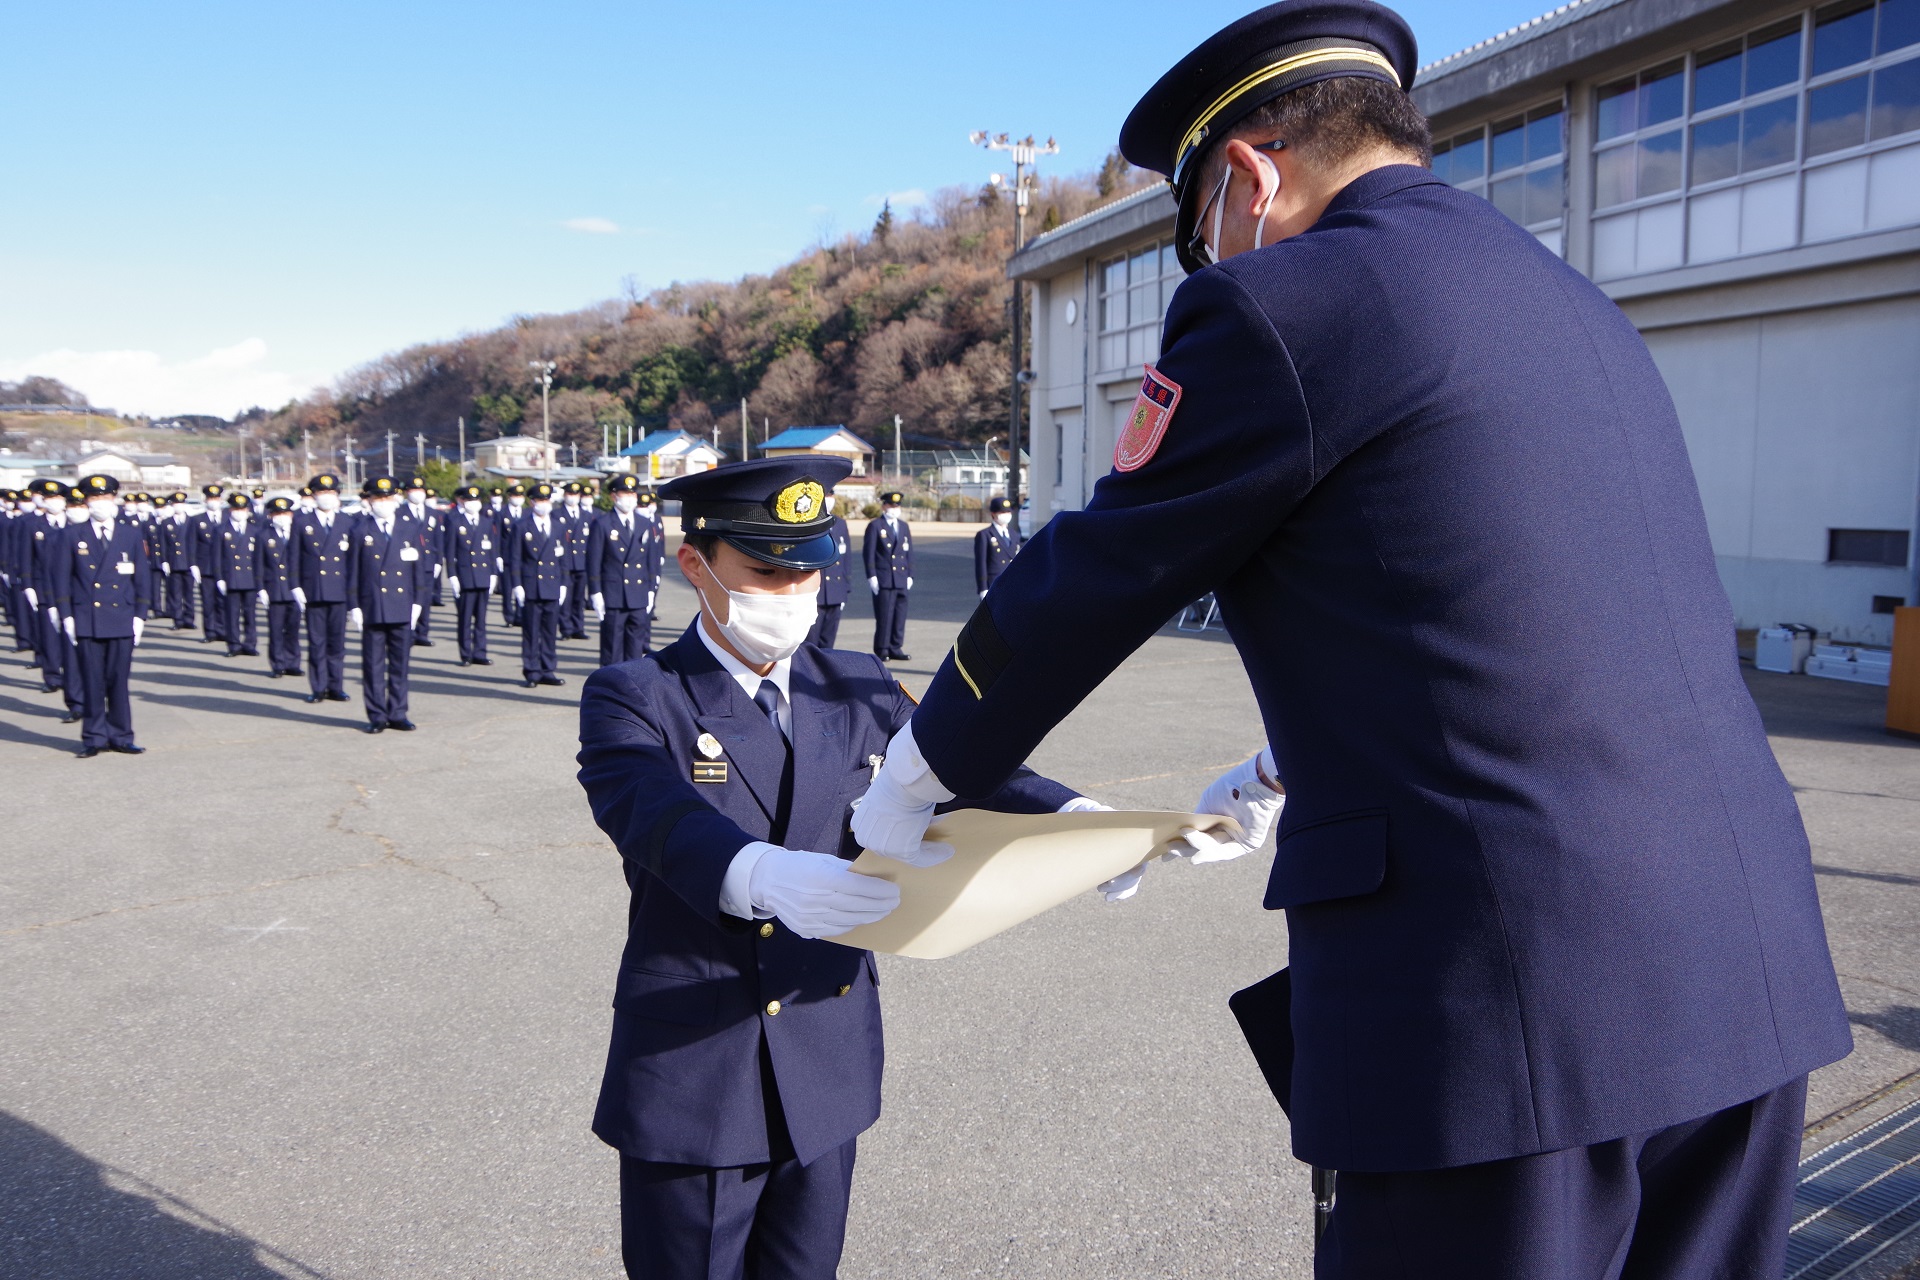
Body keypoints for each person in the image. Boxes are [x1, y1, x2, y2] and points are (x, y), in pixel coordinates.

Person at [850, 5, 1852, 1277]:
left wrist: (922, 770)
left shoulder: (1288, 300)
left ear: (1252, 175)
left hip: (1516, 999)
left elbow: (1099, 569)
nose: (1205, 261)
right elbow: (1508, 607)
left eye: (1196, 223)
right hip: (1737, 964)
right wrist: (1284, 767)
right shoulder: (1565, 298)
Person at [575, 457, 1090, 1280]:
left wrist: (1080, 821)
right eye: (766, 570)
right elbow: (647, 809)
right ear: (695, 565)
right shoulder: (637, 694)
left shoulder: (853, 682)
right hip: (698, 1068)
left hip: (824, 1052)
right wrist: (759, 873)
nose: (792, 593)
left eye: (808, 569)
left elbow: (952, 765)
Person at [53, 475, 148, 756]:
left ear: (114, 499)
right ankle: (93, 737)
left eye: (105, 498)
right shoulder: (71, 535)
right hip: (87, 619)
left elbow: (141, 577)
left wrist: (140, 615)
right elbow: (61, 578)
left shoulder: (129, 533)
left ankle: (121, 735)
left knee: (118, 681)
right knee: (92, 681)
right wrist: (66, 615)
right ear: (86, 501)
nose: (100, 504)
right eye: (94, 499)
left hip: (121, 618)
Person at [345, 475, 428, 732]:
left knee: (400, 664)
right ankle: (377, 715)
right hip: (373, 606)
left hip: (402, 604)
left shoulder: (409, 527)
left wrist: (418, 602)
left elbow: (418, 569)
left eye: (388, 498)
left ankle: (398, 712)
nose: (383, 502)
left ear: (396, 499)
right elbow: (352, 572)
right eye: (378, 498)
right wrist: (354, 606)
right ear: (369, 500)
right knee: (373, 665)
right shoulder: (360, 530)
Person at [294, 473, 354, 705]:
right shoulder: (303, 522)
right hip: (314, 590)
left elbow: (353, 562)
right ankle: (318, 687)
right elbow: (294, 557)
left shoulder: (347, 522)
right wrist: (295, 586)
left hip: (339, 591)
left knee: (337, 643)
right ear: (314, 495)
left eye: (331, 493)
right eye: (322, 493)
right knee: (317, 642)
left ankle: (336, 686)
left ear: (337, 495)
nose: (326, 497)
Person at [586, 474, 658, 666]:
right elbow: (594, 561)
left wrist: (651, 589)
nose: (629, 497)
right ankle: (610, 690)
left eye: (632, 493)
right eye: (624, 493)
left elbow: (650, 560)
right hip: (613, 594)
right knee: (612, 648)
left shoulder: (644, 523)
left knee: (635, 648)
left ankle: (632, 690)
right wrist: (595, 593)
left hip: (638, 593)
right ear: (613, 496)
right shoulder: (602, 524)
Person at [510, 482, 568, 687]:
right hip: (531, 585)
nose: (544, 504)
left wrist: (564, 583)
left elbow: (563, 558)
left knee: (550, 631)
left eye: (547, 500)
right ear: (532, 501)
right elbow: (515, 558)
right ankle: (532, 671)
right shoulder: (521, 526)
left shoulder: (558, 525)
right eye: (540, 500)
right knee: (531, 632)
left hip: (552, 584)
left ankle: (548, 669)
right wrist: (517, 585)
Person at [445, 484, 498, 667]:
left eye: (476, 500)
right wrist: (452, 575)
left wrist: (493, 574)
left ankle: (480, 652)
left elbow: (490, 549)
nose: (473, 504)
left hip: (483, 575)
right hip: (465, 576)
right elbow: (450, 551)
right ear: (463, 502)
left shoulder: (486, 522)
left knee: (481, 619)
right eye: (469, 500)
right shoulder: (455, 522)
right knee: (465, 618)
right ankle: (466, 653)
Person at [860, 491, 912, 661]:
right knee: (885, 615)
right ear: (883, 506)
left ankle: (895, 646)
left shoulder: (903, 526)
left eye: (897, 506)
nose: (894, 509)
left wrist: (910, 574)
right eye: (891, 505)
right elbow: (869, 553)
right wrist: (871, 576)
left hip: (901, 577)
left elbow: (908, 552)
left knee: (899, 615)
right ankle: (882, 648)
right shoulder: (875, 526)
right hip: (884, 577)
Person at [257, 496, 303, 678]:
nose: (281, 516)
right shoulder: (263, 535)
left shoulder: (298, 533)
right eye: (277, 513)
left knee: (293, 629)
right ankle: (277, 664)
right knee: (276, 630)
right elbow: (259, 563)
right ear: (270, 515)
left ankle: (293, 662)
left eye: (285, 513)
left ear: (291, 514)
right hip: (274, 589)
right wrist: (260, 588)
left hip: (294, 590)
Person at [214, 492, 262, 658]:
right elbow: (216, 557)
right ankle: (233, 644)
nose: (239, 512)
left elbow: (259, 559)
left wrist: (260, 580)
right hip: (231, 578)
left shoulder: (255, 531)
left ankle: (250, 644)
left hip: (250, 578)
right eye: (236, 508)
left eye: (242, 509)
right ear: (230, 510)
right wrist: (219, 577)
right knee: (232, 614)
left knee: (250, 614)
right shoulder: (221, 530)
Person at [402, 476, 444, 648]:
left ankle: (422, 632)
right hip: (407, 563)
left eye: (420, 490)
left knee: (425, 599)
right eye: (413, 490)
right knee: (407, 598)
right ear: (406, 492)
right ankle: (407, 632)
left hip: (427, 562)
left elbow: (438, 539)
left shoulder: (432, 513)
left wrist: (438, 561)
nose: (417, 494)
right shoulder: (400, 512)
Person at [186, 483, 228, 647]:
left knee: (223, 601)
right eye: (210, 498)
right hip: (206, 567)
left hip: (225, 567)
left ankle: (224, 630)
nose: (213, 501)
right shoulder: (197, 520)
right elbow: (191, 544)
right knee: (208, 601)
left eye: (216, 498)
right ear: (205, 499)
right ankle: (210, 631)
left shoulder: (227, 518)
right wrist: (193, 565)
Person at [806, 510, 851, 649]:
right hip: (817, 591)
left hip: (835, 590)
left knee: (829, 638)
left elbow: (847, 559)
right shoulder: (810, 521)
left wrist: (845, 589)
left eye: (831, 495)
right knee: (811, 640)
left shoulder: (840, 523)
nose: (829, 499)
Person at [560, 480, 593, 640]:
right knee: (566, 599)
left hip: (582, 563)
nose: (573, 497)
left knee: (579, 598)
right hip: (565, 564)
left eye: (576, 494)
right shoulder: (557, 515)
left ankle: (578, 627)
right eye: (570, 494)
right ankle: (566, 628)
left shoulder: (588, 516)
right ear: (565, 495)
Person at [972, 496, 1018, 599]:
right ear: (993, 514)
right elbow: (981, 563)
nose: (1006, 515)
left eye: (1008, 512)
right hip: (993, 584)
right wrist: (983, 588)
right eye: (1002, 513)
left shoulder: (1013, 534)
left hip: (1012, 584)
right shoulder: (985, 534)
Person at [499, 483, 528, 626]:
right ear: (510, 496)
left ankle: (520, 615)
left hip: (523, 557)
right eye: (515, 495)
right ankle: (509, 616)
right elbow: (497, 536)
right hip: (506, 557)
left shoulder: (527, 513)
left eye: (520, 496)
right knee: (507, 589)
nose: (518, 498)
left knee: (521, 587)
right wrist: (497, 556)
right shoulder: (502, 513)